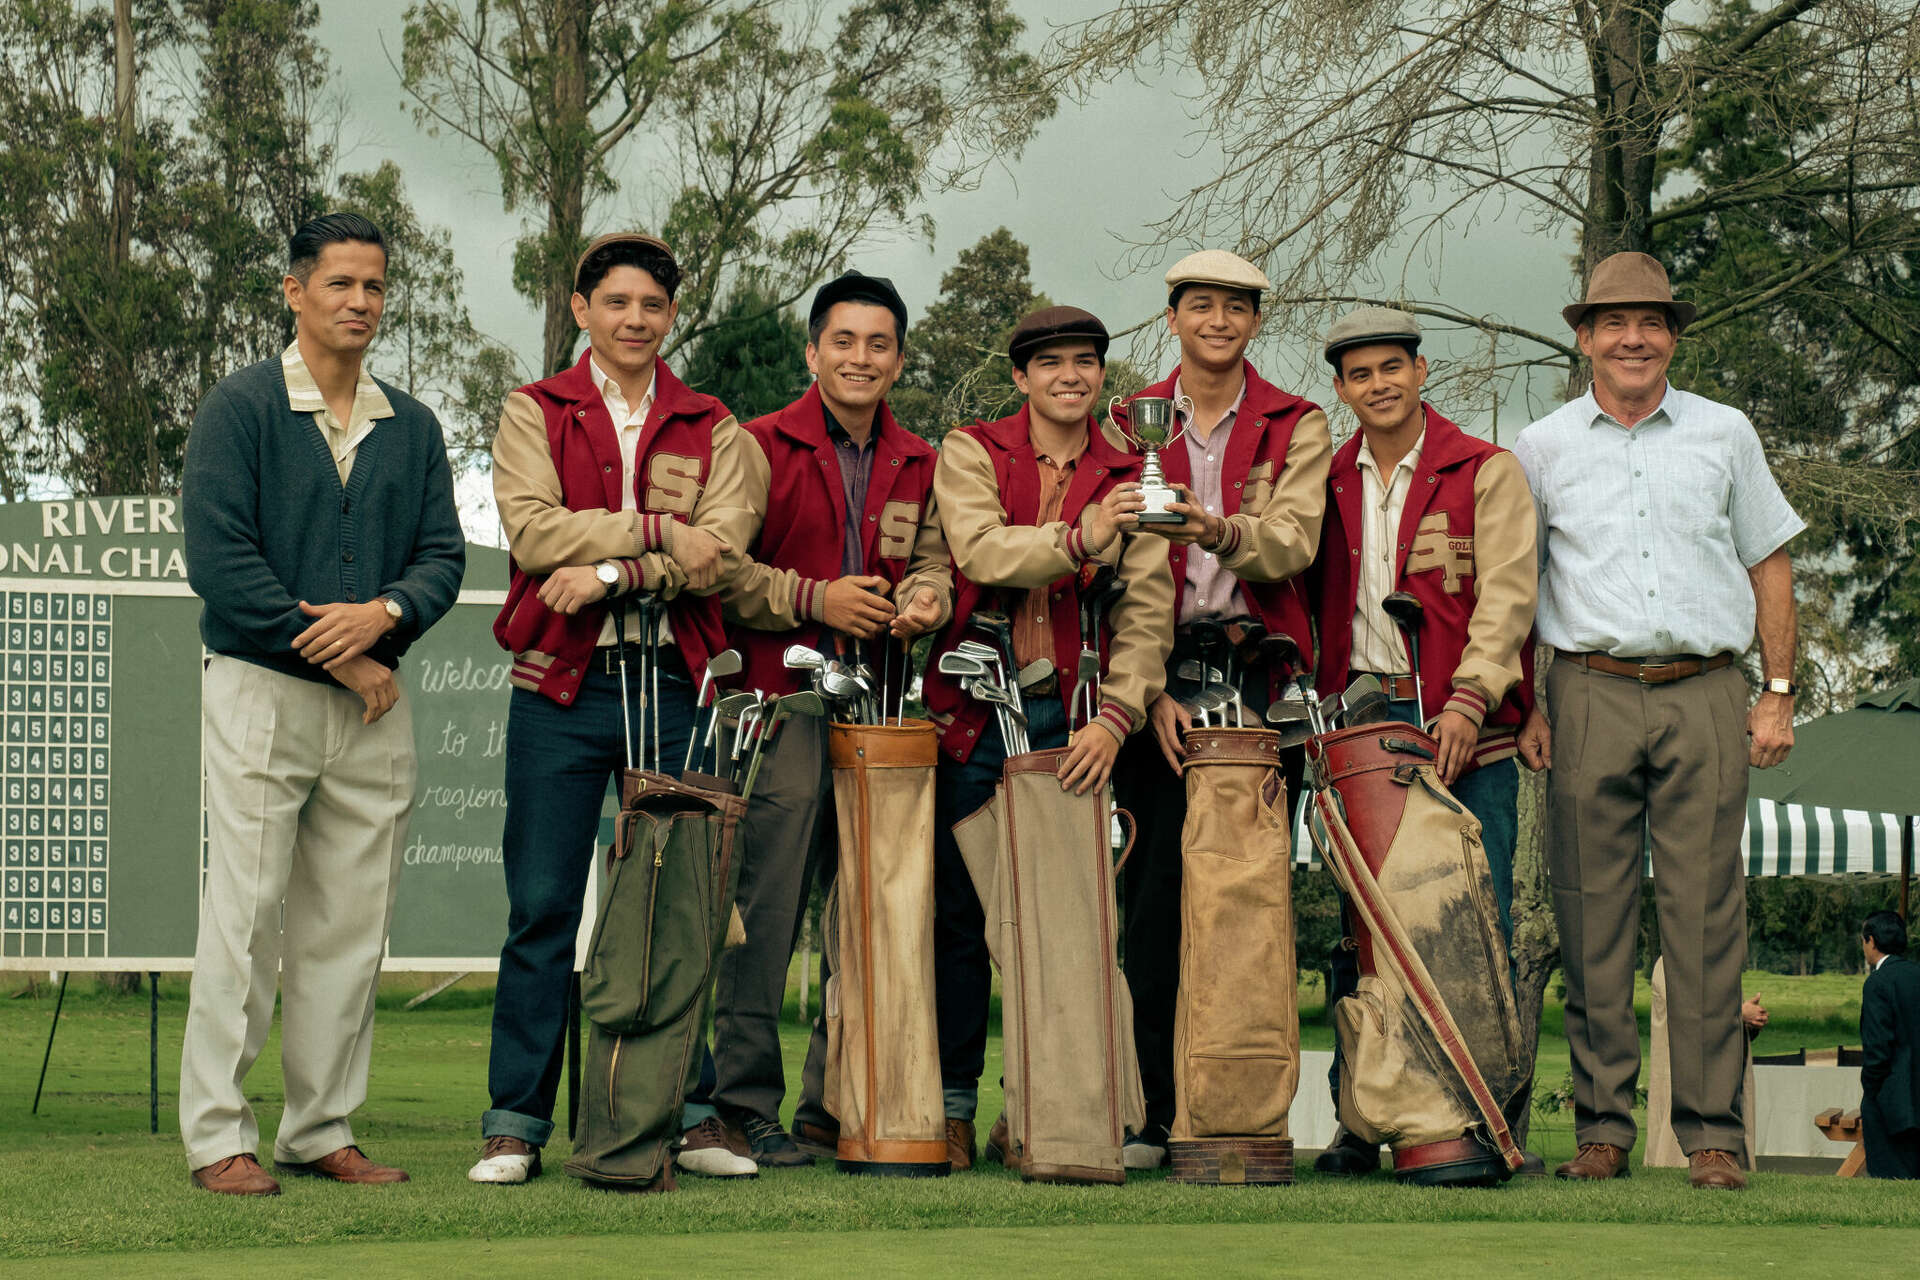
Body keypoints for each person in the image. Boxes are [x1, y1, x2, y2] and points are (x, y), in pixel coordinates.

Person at [179, 212, 466, 1195]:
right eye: (340, 283)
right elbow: (220, 562)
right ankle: (217, 1134)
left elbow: (441, 558)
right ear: (295, 291)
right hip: (263, 690)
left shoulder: (412, 425)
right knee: (246, 917)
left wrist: (387, 614)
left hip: (374, 708)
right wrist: (347, 658)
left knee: (349, 924)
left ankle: (318, 1128)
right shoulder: (240, 407)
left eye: (374, 285)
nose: (360, 301)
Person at [470, 233, 760, 1186]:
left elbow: (719, 553)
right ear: (582, 309)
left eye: (653, 305)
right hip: (560, 684)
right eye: (617, 302)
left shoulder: (714, 423)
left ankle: (689, 1113)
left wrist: (614, 571)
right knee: (542, 906)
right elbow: (532, 532)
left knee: (682, 905)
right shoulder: (534, 409)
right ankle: (516, 1123)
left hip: (676, 680)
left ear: (672, 315)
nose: (636, 319)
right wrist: (658, 530)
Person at [1513, 251, 1805, 1192]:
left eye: (1650, 323)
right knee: (1590, 914)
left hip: (1707, 689)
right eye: (1614, 323)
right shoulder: (1540, 447)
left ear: (1674, 336)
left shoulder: (1725, 432)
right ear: (1585, 339)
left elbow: (1769, 561)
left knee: (1707, 918)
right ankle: (1601, 1130)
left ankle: (1712, 1135)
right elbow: (1519, 583)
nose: (1632, 339)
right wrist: (1526, 701)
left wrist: (1778, 690)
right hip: (1586, 688)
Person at [697, 271, 952, 1166]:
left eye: (879, 344)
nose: (860, 358)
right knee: (766, 912)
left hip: (880, 713)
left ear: (900, 360)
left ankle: (835, 1102)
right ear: (813, 352)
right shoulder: (759, 444)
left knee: (869, 913)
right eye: (843, 341)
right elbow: (722, 570)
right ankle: (742, 1105)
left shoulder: (920, 459)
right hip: (782, 707)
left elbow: (936, 562)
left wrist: (926, 598)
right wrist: (817, 598)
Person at [921, 306, 1175, 1167]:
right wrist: (1081, 537)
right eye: (1051, 363)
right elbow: (981, 552)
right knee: (961, 919)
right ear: (1021, 376)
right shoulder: (973, 450)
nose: (1070, 376)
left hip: (1077, 720)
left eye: (1085, 363)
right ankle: (955, 1107)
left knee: (1070, 927)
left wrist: (1118, 716)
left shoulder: (1131, 469)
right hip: (972, 714)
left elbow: (1147, 611)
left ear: (1102, 375)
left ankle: (1046, 1105)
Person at [1108, 250, 1330, 1168]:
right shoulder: (1127, 420)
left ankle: (1238, 1110)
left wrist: (1217, 529)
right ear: (1172, 318)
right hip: (1155, 676)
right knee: (1153, 903)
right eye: (1200, 305)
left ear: (1255, 322)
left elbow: (1293, 543)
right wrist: (1146, 690)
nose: (1218, 321)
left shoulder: (1296, 422)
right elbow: (1107, 572)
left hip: (1259, 678)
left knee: (1248, 901)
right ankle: (1156, 1111)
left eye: (1236, 307)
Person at [1307, 305, 1538, 1176]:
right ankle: (1364, 1117)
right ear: (1341, 389)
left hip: (1461, 721)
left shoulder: (1485, 470)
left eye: (1392, 368)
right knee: (1364, 930)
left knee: (1471, 923)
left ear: (1421, 370)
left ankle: (1479, 1122)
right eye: (1360, 374)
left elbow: (1508, 597)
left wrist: (1472, 699)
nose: (1379, 385)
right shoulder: (1326, 479)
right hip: (1359, 721)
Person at [1859, 909, 1920, 1179]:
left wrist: (1870, 1088)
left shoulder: (1878, 983)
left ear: (1871, 941)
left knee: (1891, 1179)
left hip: (1892, 1099)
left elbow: (1878, 1048)